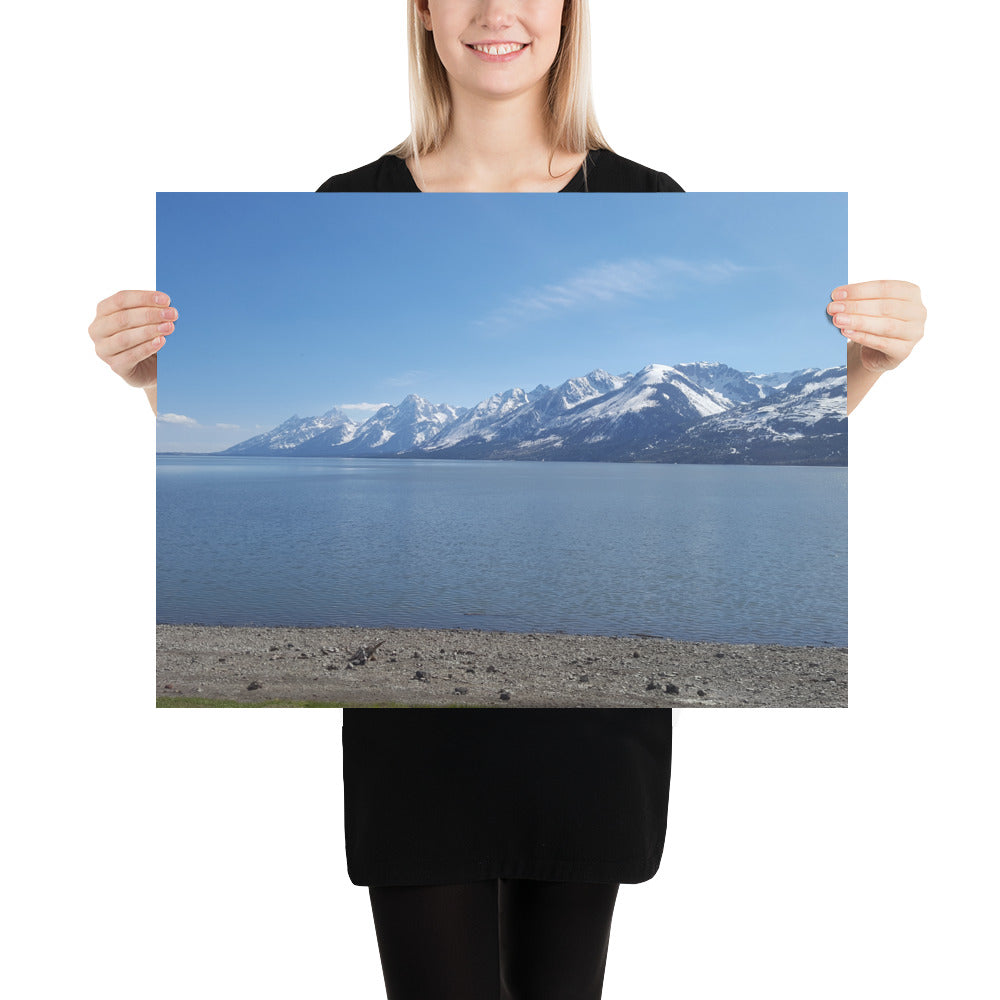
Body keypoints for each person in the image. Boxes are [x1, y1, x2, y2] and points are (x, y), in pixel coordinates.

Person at [88, 2, 925, 997]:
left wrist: (864, 369)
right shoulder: (347, 198)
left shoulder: (646, 196)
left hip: (594, 737)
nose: (497, 11)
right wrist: (151, 378)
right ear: (425, 14)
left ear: (570, 16)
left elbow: (817, 427)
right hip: (416, 747)